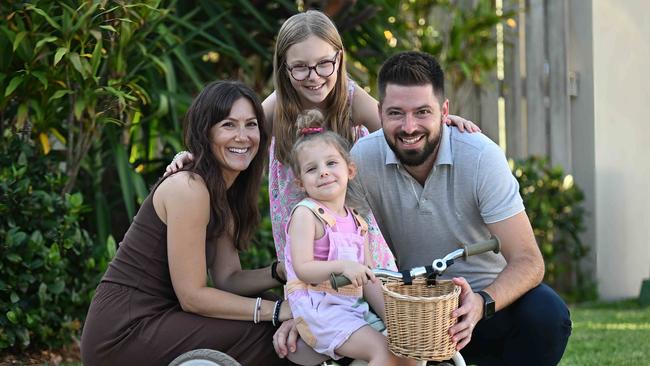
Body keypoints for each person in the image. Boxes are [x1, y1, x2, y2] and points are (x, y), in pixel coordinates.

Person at [165, 10, 480, 275]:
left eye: (323, 64)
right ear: (285, 69)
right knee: (317, 296)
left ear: (339, 58)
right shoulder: (278, 107)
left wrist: (440, 124)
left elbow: (399, 128)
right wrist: (191, 156)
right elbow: (236, 137)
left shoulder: (351, 99)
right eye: (300, 67)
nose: (313, 76)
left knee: (370, 286)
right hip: (302, 223)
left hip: (351, 220)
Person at [344, 51, 571, 365]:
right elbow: (341, 241)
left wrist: (481, 303)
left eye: (422, 112)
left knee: (547, 315)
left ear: (444, 111)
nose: (409, 127)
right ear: (380, 112)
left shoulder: (480, 157)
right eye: (396, 113)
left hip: (482, 306)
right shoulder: (362, 159)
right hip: (408, 309)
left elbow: (529, 261)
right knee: (342, 325)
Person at [80, 81, 294, 366]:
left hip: (161, 321)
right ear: (205, 132)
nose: (242, 137)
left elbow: (228, 279)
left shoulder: (220, 193)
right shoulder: (189, 188)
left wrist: (283, 271)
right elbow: (193, 297)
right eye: (228, 125)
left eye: (251, 124)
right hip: (124, 332)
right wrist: (279, 310)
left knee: (268, 307)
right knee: (270, 333)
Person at [283, 110, 414, 366]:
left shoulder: (358, 222)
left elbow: (368, 279)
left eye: (331, 163)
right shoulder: (306, 215)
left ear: (350, 170)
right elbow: (303, 269)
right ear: (300, 183)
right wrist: (343, 266)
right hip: (319, 310)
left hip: (350, 308)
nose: (323, 172)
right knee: (383, 352)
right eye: (312, 169)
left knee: (407, 351)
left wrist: (394, 318)